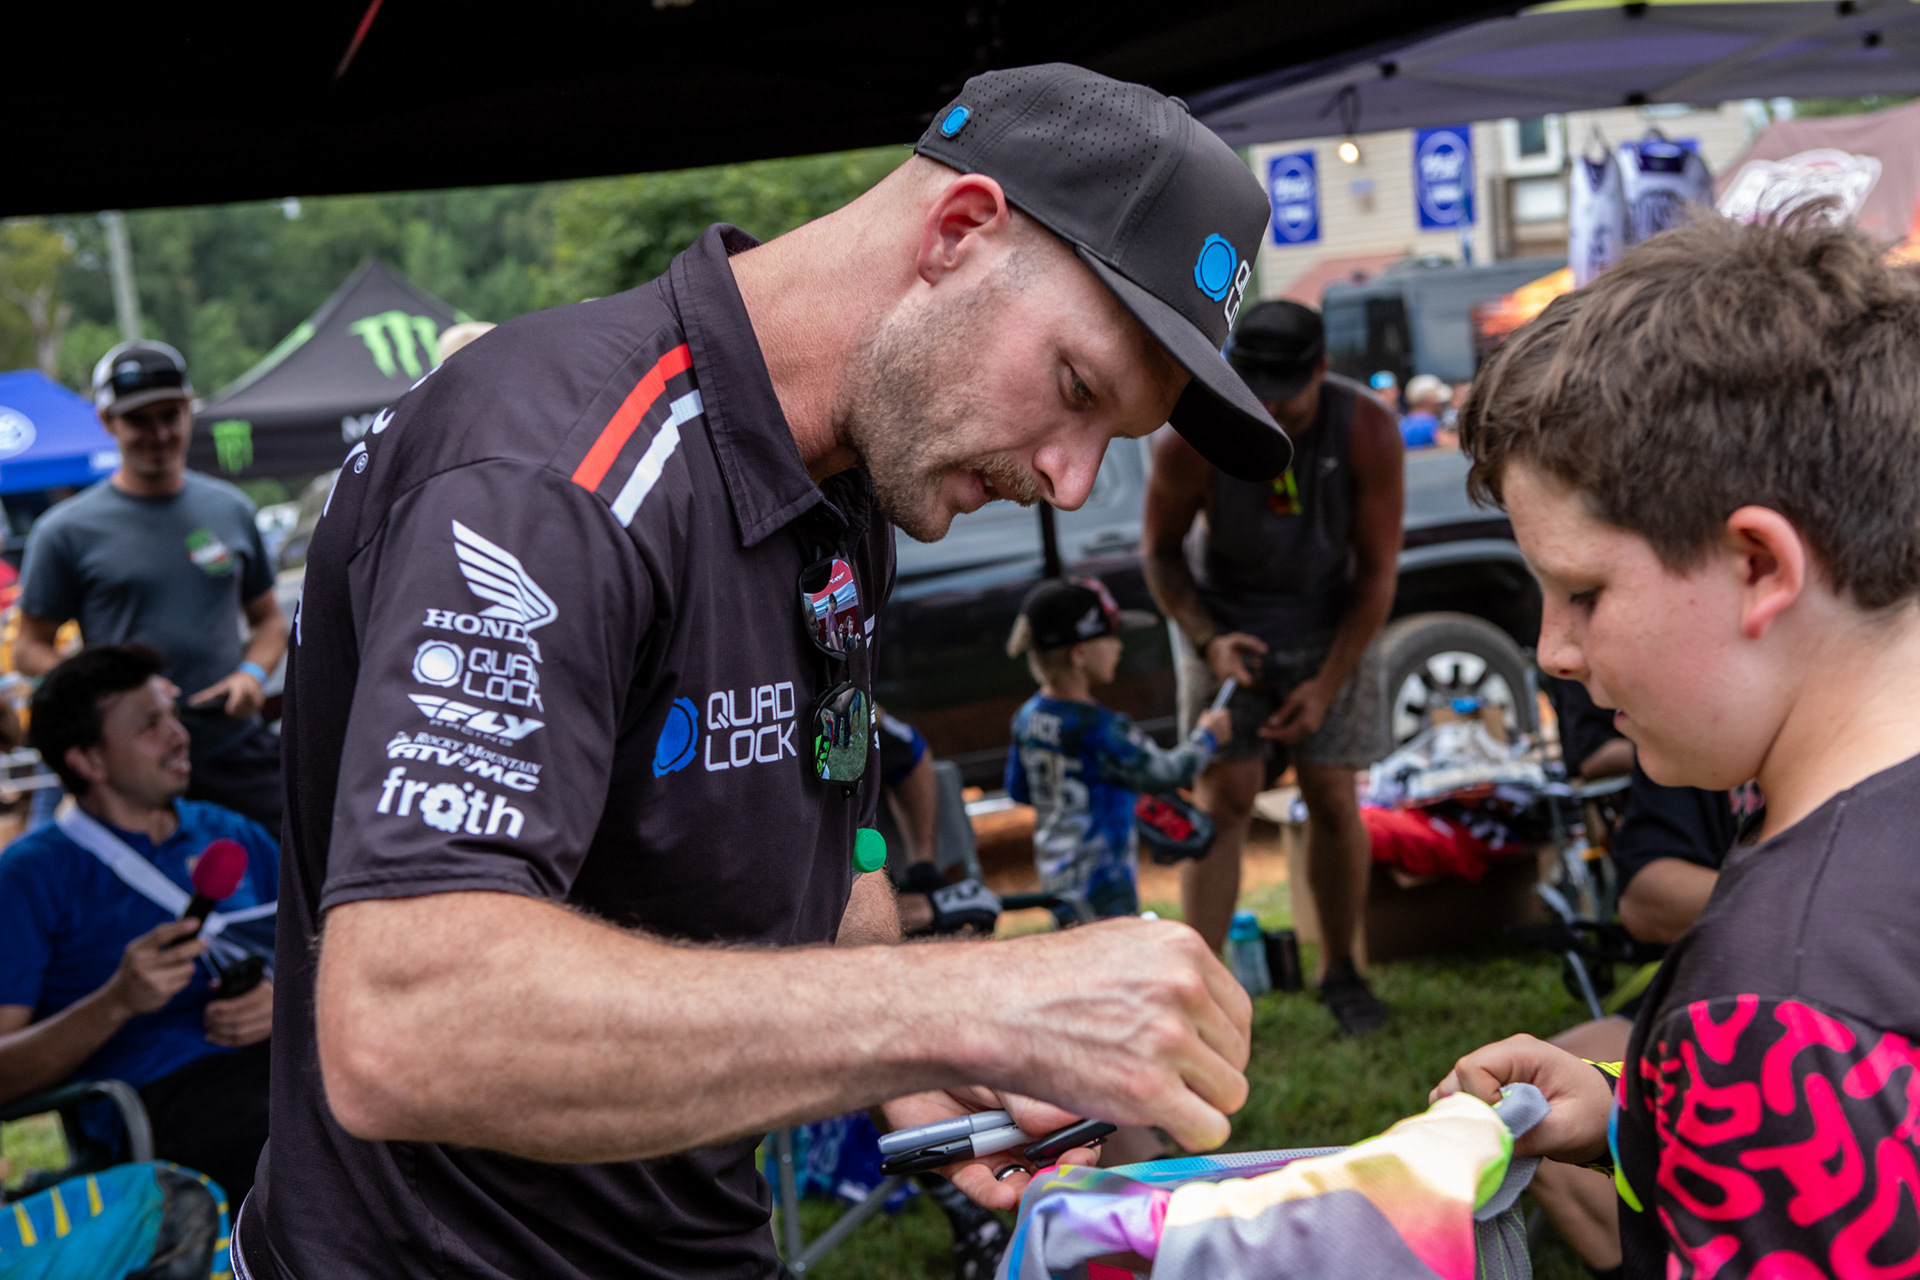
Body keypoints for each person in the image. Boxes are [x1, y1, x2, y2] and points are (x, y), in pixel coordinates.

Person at [246, 64, 1284, 1280]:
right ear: (958, 231)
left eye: (1111, 436)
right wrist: (970, 1000)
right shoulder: (548, 471)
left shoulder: (850, 476)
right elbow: (404, 1021)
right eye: (1075, 389)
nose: (1070, 479)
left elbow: (822, 819)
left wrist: (926, 1055)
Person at [1431, 213, 1920, 1277]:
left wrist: (1725, 1086)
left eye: (1583, 591)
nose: (1554, 652)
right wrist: (1646, 1117)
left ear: (1758, 566)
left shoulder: (1775, 1011)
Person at [1143, 299, 1404, 1037]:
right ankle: (1201, 990)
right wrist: (1208, 641)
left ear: (1322, 370)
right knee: (1224, 796)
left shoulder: (1366, 430)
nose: (1272, 408)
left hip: (1332, 619)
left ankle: (1342, 971)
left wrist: (1326, 685)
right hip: (1225, 621)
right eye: (1257, 390)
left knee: (1332, 794)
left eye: (1288, 393)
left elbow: (1377, 575)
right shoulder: (1192, 436)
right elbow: (1160, 555)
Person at [0, 644, 279, 1201]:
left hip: (286, 1062)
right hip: (167, 1101)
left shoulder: (230, 831)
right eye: (150, 725)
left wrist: (283, 995)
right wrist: (118, 1001)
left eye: (173, 716)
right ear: (89, 762)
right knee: (313, 1144)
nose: (179, 736)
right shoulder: (29, 875)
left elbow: (324, 949)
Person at [16, 343, 288, 831]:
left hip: (232, 747)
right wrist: (110, 688)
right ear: (107, 422)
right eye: (139, 420)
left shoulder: (229, 509)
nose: (159, 434)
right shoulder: (66, 531)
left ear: (189, 411)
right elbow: (28, 648)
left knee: (286, 866)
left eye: (170, 415)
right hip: (130, 768)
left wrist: (251, 674)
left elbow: (268, 621)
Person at [1004, 576, 1230, 925]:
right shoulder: (1102, 729)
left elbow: (1019, 788)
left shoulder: (1027, 718)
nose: (1119, 647)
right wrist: (1208, 737)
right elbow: (1169, 772)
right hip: (1104, 886)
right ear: (1079, 654)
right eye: (1111, 637)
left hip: (1057, 882)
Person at [1399, 373, 1446, 449]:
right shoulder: (1428, 422)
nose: (1441, 404)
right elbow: (1451, 444)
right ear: (1429, 400)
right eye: (1437, 400)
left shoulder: (1403, 423)